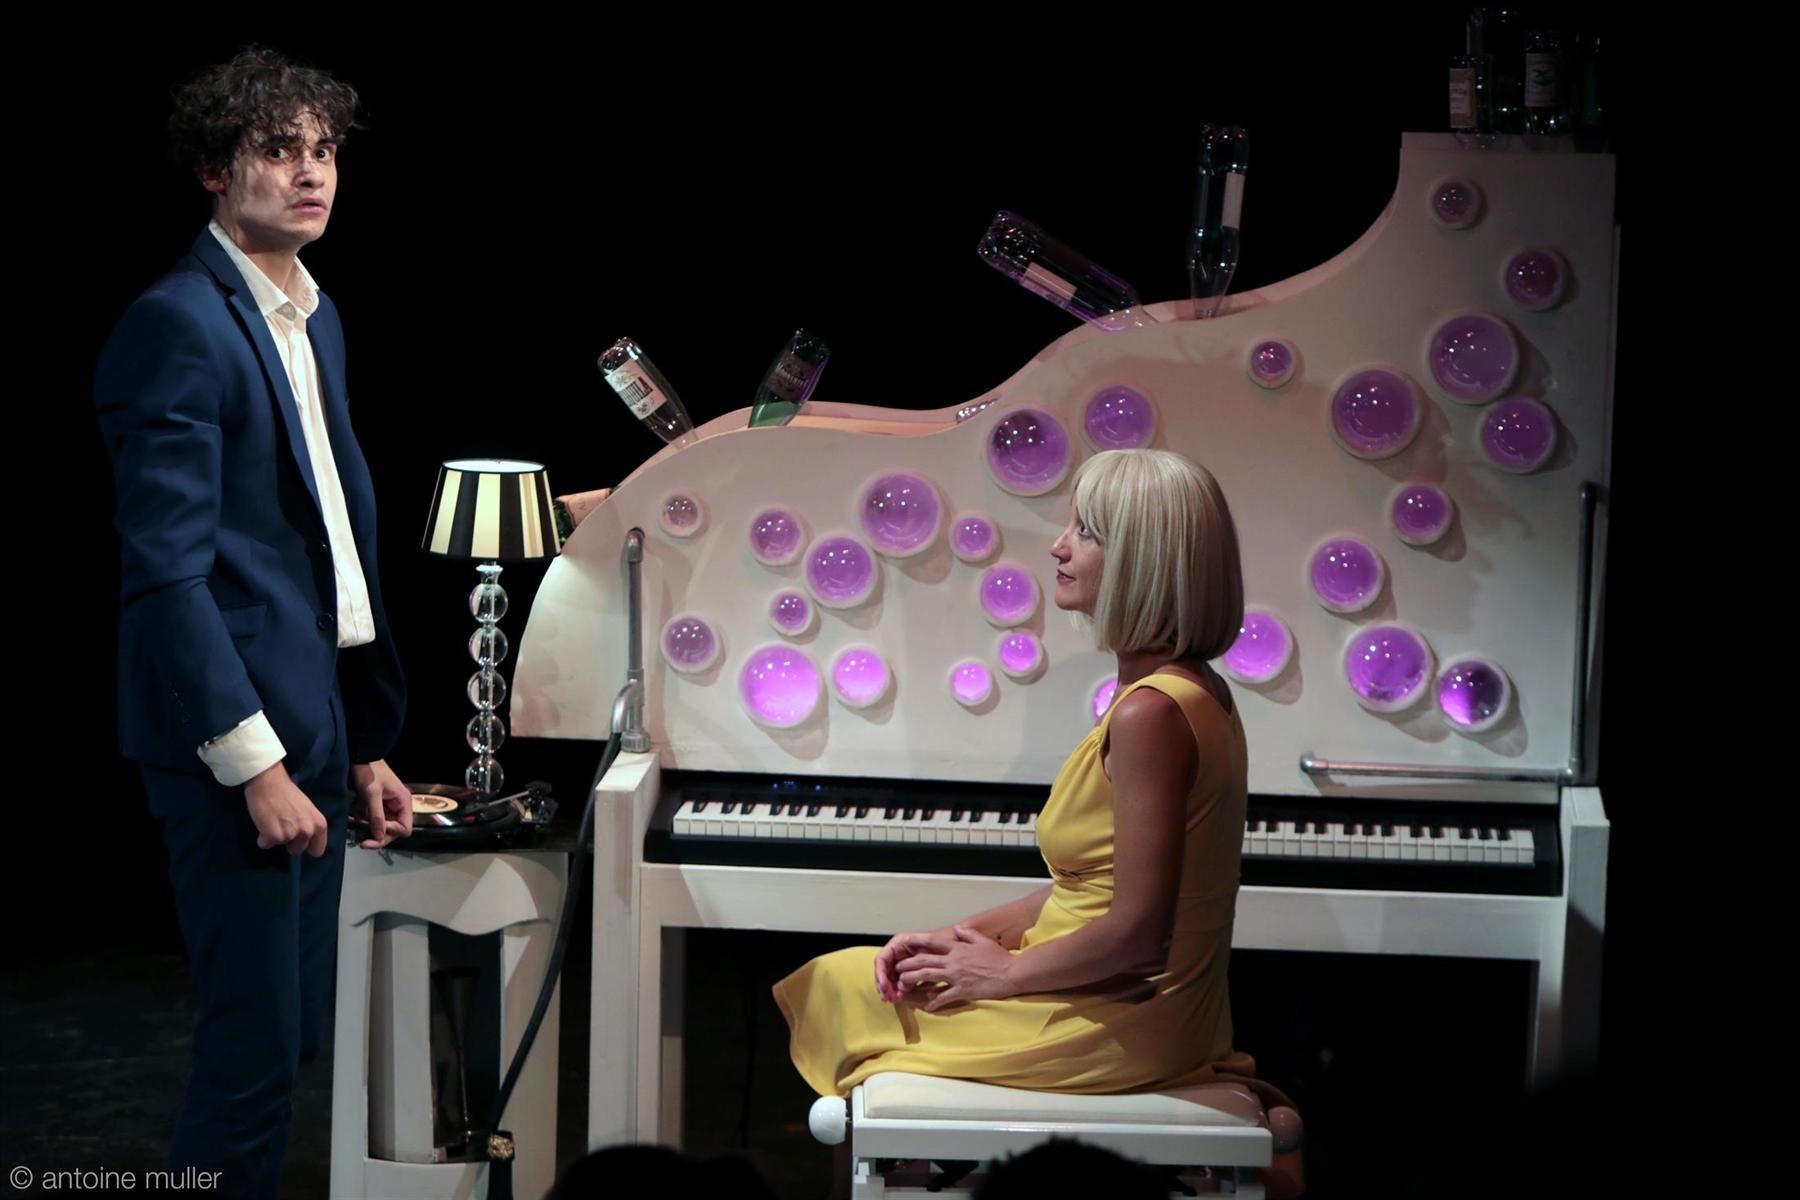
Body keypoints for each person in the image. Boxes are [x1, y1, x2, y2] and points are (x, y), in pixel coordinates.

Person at [773, 448, 1302, 1195]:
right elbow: (1088, 884)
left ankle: (894, 1175)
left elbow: (1138, 933)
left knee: (844, 985)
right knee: (874, 977)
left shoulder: (1153, 713)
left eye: (1086, 531)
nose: (1058, 545)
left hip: (1125, 1021)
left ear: (1143, 562)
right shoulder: (1185, 691)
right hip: (1122, 995)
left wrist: (1004, 973)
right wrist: (964, 935)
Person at [93, 47, 410, 1198]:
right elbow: (167, 579)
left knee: (292, 1044)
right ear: (215, 171)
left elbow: (318, 548)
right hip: (233, 750)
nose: (311, 172)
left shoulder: (312, 318)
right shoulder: (177, 324)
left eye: (323, 151)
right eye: (279, 150)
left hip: (312, 727)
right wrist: (257, 766)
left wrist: (358, 742)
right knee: (252, 1053)